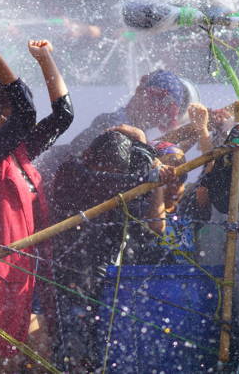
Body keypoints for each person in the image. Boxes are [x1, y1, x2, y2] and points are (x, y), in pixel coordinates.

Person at [0, 40, 72, 373]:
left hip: (20, 270)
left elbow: (64, 115)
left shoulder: (18, 151)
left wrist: (46, 59)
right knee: (3, 360)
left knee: (38, 354)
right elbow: (26, 114)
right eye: (5, 114)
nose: (16, 124)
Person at [51, 129, 164, 371]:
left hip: (102, 272)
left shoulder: (125, 181)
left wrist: (152, 172)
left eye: (116, 171)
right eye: (105, 168)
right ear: (91, 155)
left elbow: (154, 229)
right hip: (70, 271)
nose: (110, 175)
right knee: (73, 341)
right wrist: (148, 178)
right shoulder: (72, 170)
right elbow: (102, 182)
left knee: (99, 343)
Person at [35, 69, 193, 180]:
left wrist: (198, 131)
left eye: (165, 108)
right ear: (139, 90)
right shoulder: (113, 123)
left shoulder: (132, 130)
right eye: (155, 99)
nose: (157, 109)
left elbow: (155, 149)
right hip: (49, 179)